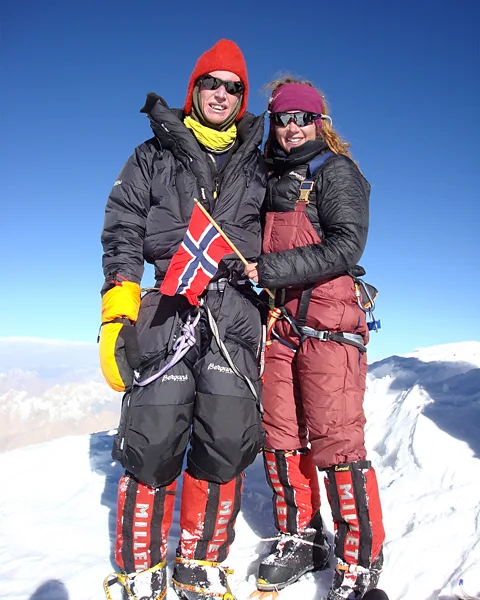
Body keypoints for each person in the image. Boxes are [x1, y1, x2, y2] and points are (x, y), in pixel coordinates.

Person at [99, 39, 267, 600]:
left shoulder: (262, 166)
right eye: (211, 83)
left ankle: (199, 558)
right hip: (168, 302)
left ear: (242, 99)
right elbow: (123, 228)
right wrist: (115, 312)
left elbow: (293, 236)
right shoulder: (153, 155)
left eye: (233, 87)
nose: (221, 94)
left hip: (236, 312)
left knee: (225, 438)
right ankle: (141, 568)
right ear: (193, 89)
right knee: (152, 440)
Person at [244, 78, 385, 600]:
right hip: (283, 325)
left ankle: (359, 560)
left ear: (319, 122)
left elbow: (347, 244)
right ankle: (303, 537)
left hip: (330, 325)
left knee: (336, 441)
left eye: (304, 118)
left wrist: (269, 268)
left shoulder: (336, 172)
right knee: (279, 435)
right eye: (284, 119)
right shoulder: (274, 178)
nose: (293, 127)